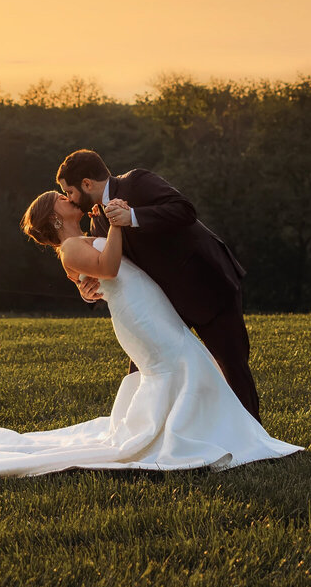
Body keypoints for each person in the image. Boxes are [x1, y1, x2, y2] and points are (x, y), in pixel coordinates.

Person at [0, 187, 301, 484]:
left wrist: (111, 225)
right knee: (175, 363)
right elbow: (107, 267)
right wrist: (119, 225)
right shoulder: (69, 248)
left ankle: (205, 429)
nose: (68, 198)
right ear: (55, 218)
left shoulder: (79, 236)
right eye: (60, 198)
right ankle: (184, 434)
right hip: (138, 314)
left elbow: (97, 274)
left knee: (185, 360)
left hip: (144, 304)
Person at [58, 150, 260, 419]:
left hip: (207, 284)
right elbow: (112, 268)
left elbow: (185, 210)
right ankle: (146, 439)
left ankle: (256, 440)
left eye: (69, 191)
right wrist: (89, 293)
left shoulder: (136, 182)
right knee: (145, 369)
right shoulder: (97, 222)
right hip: (162, 304)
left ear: (86, 184)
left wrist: (132, 217)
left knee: (232, 365)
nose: (70, 199)